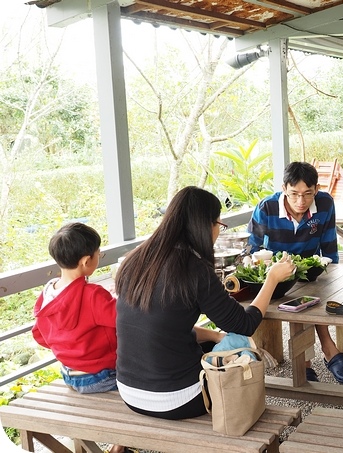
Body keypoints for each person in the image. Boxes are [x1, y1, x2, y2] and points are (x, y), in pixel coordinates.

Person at [114, 186, 296, 420]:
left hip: (129, 392)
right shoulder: (193, 268)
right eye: (219, 224)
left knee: (222, 340)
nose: (218, 231)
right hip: (177, 399)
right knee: (240, 343)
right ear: (205, 225)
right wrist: (272, 278)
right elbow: (244, 324)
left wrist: (215, 336)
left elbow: (164, 325)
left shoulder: (137, 259)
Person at [248, 161, 343, 384]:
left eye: (308, 194)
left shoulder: (325, 203)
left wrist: (332, 274)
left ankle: (314, 358)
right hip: (277, 278)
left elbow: (329, 246)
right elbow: (252, 250)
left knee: (314, 295)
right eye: (294, 194)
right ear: (284, 189)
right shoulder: (266, 208)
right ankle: (323, 354)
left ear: (316, 189)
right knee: (299, 301)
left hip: (311, 272)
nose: (301, 201)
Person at [32, 222, 128, 453]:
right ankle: (119, 444)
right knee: (144, 386)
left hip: (70, 374)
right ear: (87, 261)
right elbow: (124, 320)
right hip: (103, 376)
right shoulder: (93, 295)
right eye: (99, 254)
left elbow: (40, 336)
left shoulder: (47, 295)